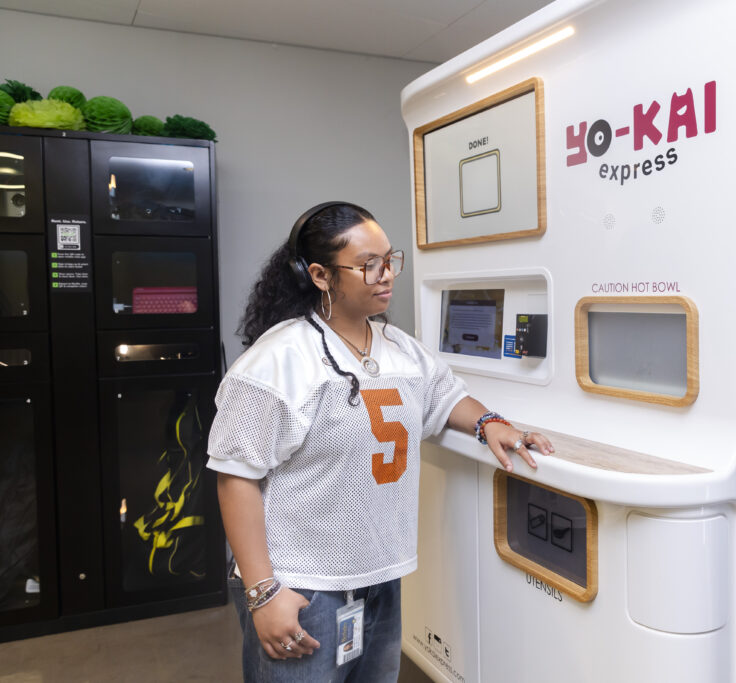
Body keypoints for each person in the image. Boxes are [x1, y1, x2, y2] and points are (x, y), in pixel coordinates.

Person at [206, 201, 552, 683]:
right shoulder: (278, 362)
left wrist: (490, 423)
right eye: (369, 265)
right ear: (321, 276)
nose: (387, 274)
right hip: (302, 588)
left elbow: (444, 396)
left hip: (380, 578)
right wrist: (264, 593)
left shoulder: (399, 348)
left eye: (390, 259)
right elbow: (235, 478)